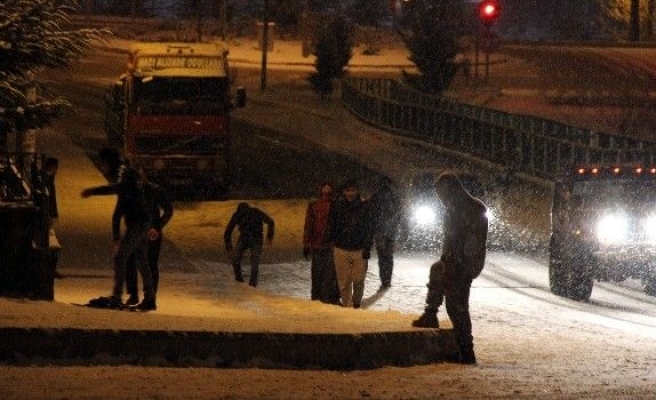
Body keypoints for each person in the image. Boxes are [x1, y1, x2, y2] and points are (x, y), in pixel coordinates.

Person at [411, 171, 488, 364]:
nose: (440, 198)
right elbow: (449, 239)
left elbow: (474, 243)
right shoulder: (452, 208)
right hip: (452, 261)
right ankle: (430, 314)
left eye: (442, 194)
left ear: (452, 190)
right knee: (436, 271)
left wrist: (461, 264)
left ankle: (467, 351)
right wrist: (446, 259)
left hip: (463, 265)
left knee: (457, 307)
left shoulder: (474, 209)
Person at [81, 147, 157, 311]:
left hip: (138, 222)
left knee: (121, 257)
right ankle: (149, 298)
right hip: (141, 221)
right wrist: (116, 235)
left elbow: (116, 190)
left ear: (108, 161)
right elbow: (119, 207)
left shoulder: (124, 173)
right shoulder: (125, 173)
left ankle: (117, 296)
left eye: (102, 163)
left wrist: (93, 191)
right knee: (141, 260)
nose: (101, 166)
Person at [125, 169, 173, 306]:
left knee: (150, 263)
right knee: (131, 261)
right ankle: (134, 294)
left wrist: (157, 227)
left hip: (151, 232)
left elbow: (169, 210)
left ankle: (150, 297)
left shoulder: (154, 190)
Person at [325, 179, 373, 308]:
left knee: (359, 279)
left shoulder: (365, 207)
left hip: (359, 249)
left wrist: (367, 247)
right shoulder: (337, 206)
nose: (350, 193)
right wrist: (330, 239)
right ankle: (347, 305)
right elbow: (331, 224)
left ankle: (356, 302)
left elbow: (369, 228)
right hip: (341, 248)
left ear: (357, 191)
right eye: (347, 190)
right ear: (344, 192)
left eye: (352, 190)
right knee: (344, 281)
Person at [303, 182, 339, 304]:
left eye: (328, 193)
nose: (326, 195)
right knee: (317, 273)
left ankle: (327, 298)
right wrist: (306, 244)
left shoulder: (336, 205)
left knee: (329, 274)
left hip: (331, 245)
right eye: (324, 193)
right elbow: (309, 225)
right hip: (317, 244)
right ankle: (316, 298)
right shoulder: (314, 206)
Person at [224, 202, 275, 287]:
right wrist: (229, 248)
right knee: (239, 257)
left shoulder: (255, 212)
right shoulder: (239, 215)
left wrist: (269, 236)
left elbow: (270, 222)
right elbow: (228, 232)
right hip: (246, 237)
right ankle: (240, 279)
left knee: (253, 258)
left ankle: (251, 282)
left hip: (256, 237)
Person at [368, 176, 401, 290]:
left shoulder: (376, 196)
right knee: (388, 256)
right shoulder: (394, 196)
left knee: (382, 256)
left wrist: (374, 229)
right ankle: (387, 280)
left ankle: (384, 279)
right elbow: (398, 213)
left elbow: (371, 215)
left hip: (380, 231)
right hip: (390, 231)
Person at [41, 157, 63, 278]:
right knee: (53, 245)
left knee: (52, 244)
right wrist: (52, 214)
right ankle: (51, 270)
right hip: (47, 216)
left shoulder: (47, 180)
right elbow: (50, 200)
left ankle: (51, 269)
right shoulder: (47, 181)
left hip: (48, 215)